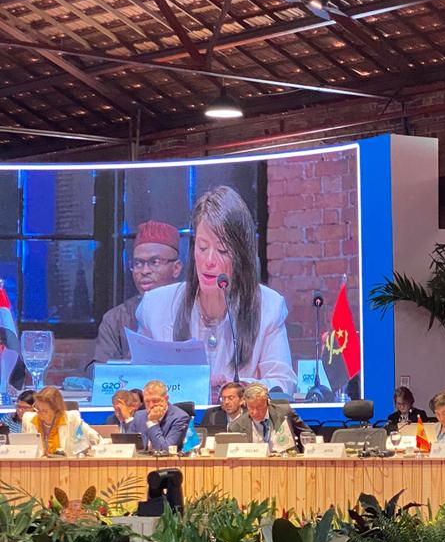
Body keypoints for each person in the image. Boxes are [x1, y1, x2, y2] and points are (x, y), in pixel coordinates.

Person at [137, 186, 296, 398]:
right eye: (202, 248)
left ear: (241, 257)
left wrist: (238, 389)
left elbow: (283, 383)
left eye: (222, 250)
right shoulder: (155, 307)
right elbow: (138, 383)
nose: (209, 261)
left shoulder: (268, 306)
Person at [94, 221, 182, 363]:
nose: (144, 271)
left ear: (176, 268)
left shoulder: (194, 311)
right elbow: (100, 371)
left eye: (155, 262)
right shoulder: (116, 319)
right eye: (138, 263)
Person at [235, 382, 314, 454]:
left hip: (286, 462)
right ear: (245, 404)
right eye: (251, 408)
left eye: (259, 407)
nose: (255, 412)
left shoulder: (285, 412)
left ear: (268, 402)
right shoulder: (237, 426)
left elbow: (308, 435)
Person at [22, 386, 100, 456]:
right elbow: (24, 450)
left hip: (65, 465)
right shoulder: (28, 419)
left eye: (45, 411)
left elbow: (95, 438)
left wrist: (88, 449)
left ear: (56, 410)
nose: (40, 413)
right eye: (38, 409)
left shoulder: (72, 419)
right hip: (36, 465)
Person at [130, 379, 191, 452]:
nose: (151, 405)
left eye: (155, 401)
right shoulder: (139, 416)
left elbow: (165, 450)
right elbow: (127, 446)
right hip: (140, 459)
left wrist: (152, 422)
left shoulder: (180, 418)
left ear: (166, 399)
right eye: (147, 401)